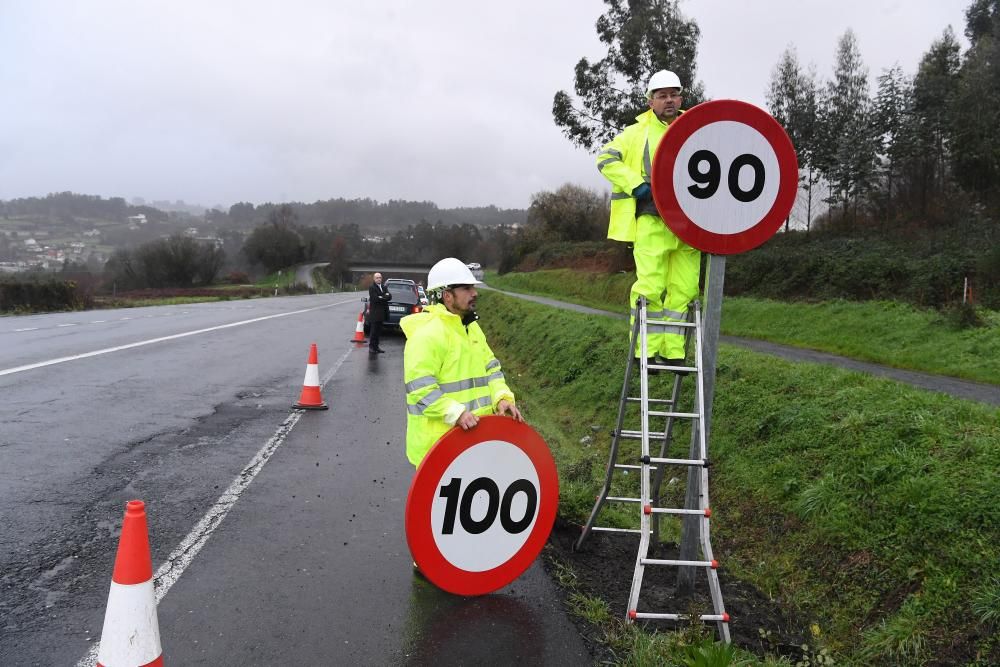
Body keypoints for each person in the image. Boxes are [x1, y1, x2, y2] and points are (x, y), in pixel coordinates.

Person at [596, 69, 700, 368]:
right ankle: (646, 351)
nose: (669, 100)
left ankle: (674, 352)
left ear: (681, 97)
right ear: (650, 101)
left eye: (674, 94)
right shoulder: (635, 133)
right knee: (651, 286)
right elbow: (605, 158)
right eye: (662, 95)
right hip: (652, 219)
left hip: (689, 226)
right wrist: (635, 184)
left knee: (684, 289)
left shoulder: (694, 127)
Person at [400, 257, 523, 467]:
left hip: (474, 444)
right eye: (466, 288)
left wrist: (501, 398)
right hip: (438, 449)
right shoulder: (427, 335)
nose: (475, 293)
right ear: (447, 296)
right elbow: (420, 390)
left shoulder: (471, 328)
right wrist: (456, 414)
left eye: (473, 287)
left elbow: (491, 369)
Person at [367, 272, 391, 355]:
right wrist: (384, 296)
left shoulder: (384, 287)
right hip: (375, 313)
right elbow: (375, 299)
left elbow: (390, 296)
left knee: (378, 332)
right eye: (377, 277)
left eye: (380, 277)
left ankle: (376, 347)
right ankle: (371, 347)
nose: (378, 279)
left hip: (382, 313)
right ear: (374, 279)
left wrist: (382, 296)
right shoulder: (372, 287)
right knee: (373, 331)